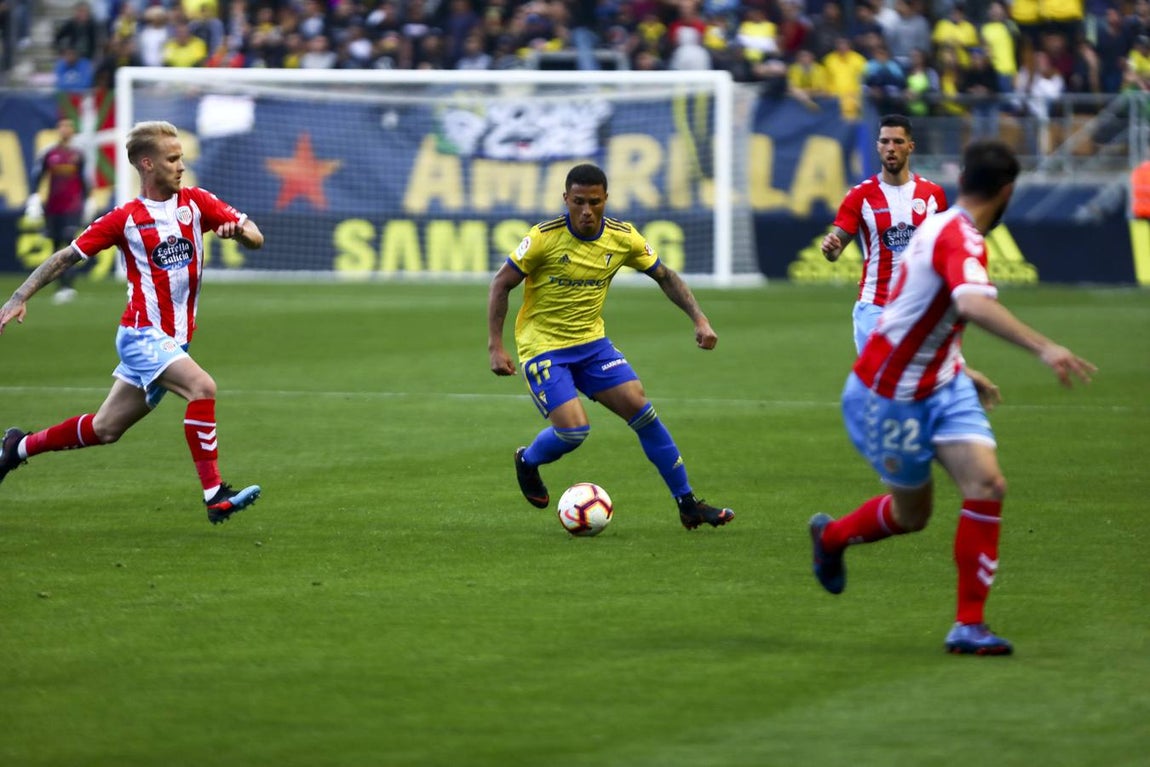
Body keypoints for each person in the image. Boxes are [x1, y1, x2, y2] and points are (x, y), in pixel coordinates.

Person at [808, 139, 1097, 655]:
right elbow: (969, 303)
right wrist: (1045, 348)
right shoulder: (957, 236)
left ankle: (969, 625)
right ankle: (831, 538)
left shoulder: (937, 227)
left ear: (962, 178)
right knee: (911, 515)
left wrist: (962, 368)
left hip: (942, 383)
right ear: (1007, 192)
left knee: (987, 484)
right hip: (889, 393)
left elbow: (918, 310)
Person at [0, 120, 264, 525]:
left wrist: (239, 234)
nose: (181, 165)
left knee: (106, 428)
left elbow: (254, 234)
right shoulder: (125, 218)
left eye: (181, 157)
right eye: (172, 159)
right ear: (147, 164)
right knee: (202, 387)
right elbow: (66, 257)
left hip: (174, 341)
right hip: (141, 334)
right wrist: (19, 296)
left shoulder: (196, 203)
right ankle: (215, 494)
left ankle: (16, 449)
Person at [487, 163, 734, 531]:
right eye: (579, 202)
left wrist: (700, 319)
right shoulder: (543, 238)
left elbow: (665, 276)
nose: (587, 211)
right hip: (543, 346)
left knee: (642, 410)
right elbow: (501, 284)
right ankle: (527, 461)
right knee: (574, 432)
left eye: (595, 202)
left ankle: (688, 504)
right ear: (565, 199)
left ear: (606, 200)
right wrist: (496, 346)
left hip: (592, 345)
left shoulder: (623, 237)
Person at [820, 114, 947, 353]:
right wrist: (830, 246)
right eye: (885, 141)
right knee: (878, 383)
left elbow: (944, 247)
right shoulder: (860, 195)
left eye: (898, 142)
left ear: (910, 146)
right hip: (874, 306)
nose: (891, 148)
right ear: (877, 146)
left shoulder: (932, 195)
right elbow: (836, 249)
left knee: (915, 384)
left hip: (919, 306)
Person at [26, 117, 90, 304]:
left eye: (68, 127)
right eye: (62, 126)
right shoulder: (49, 154)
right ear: (58, 130)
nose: (65, 130)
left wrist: (88, 201)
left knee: (70, 246)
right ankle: (60, 287)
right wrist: (35, 197)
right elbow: (38, 176)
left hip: (72, 207)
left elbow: (85, 180)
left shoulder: (78, 155)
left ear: (72, 131)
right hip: (53, 207)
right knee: (55, 246)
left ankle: (68, 286)